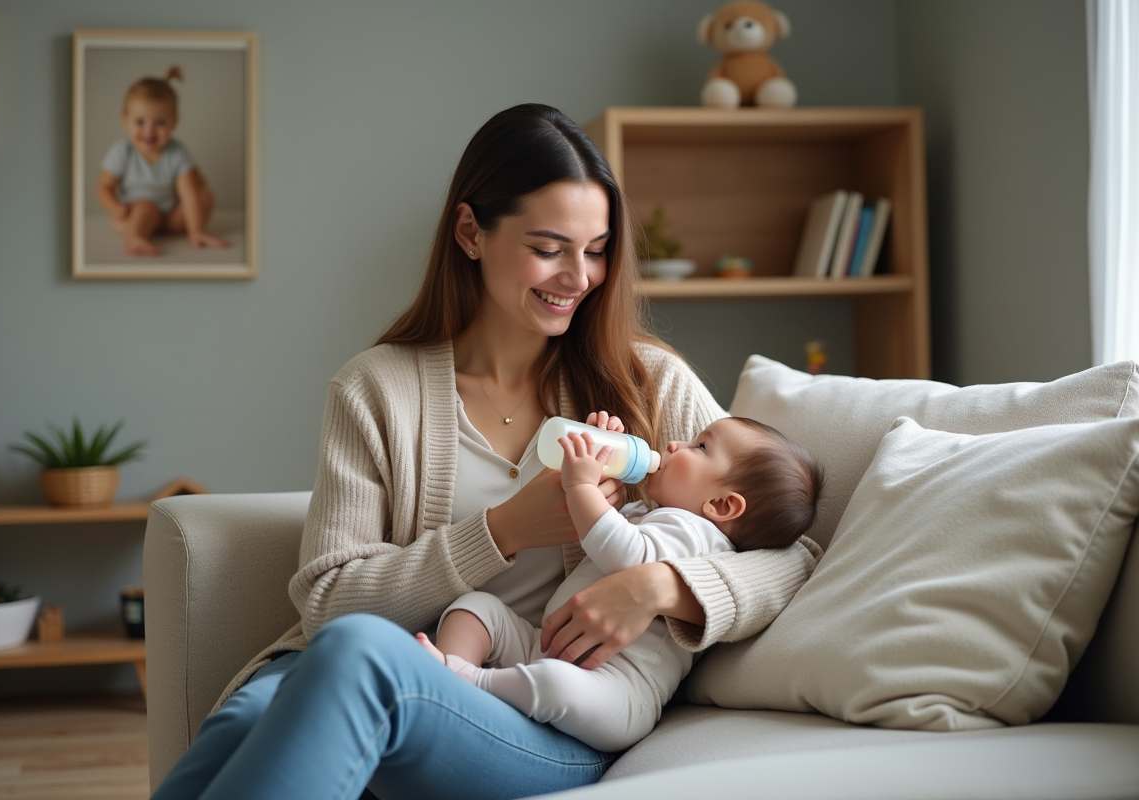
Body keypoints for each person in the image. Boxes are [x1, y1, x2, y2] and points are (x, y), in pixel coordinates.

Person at [149, 102, 822, 800]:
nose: (580, 277)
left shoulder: (645, 383)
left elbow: (793, 548)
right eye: (548, 247)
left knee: (356, 658)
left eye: (596, 250)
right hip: (385, 660)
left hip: (539, 707)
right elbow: (327, 604)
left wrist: (658, 587)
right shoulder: (375, 388)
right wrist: (502, 532)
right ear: (471, 231)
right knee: (246, 718)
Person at [418, 415, 824, 752]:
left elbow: (628, 555)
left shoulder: (697, 533)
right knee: (477, 608)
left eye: (699, 447)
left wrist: (580, 489)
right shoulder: (653, 513)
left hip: (616, 692)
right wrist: (603, 470)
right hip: (547, 643)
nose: (673, 444)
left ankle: (466, 681)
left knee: (557, 686)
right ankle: (455, 679)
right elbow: (614, 531)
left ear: (720, 505)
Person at [96, 67, 228, 256]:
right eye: (140, 122)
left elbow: (188, 193)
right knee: (145, 208)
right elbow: (104, 186)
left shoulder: (177, 153)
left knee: (205, 196)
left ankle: (187, 231)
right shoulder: (122, 151)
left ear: (174, 123)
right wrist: (115, 207)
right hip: (135, 215)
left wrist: (196, 230)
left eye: (160, 123)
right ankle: (135, 238)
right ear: (125, 120)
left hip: (170, 218)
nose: (149, 131)